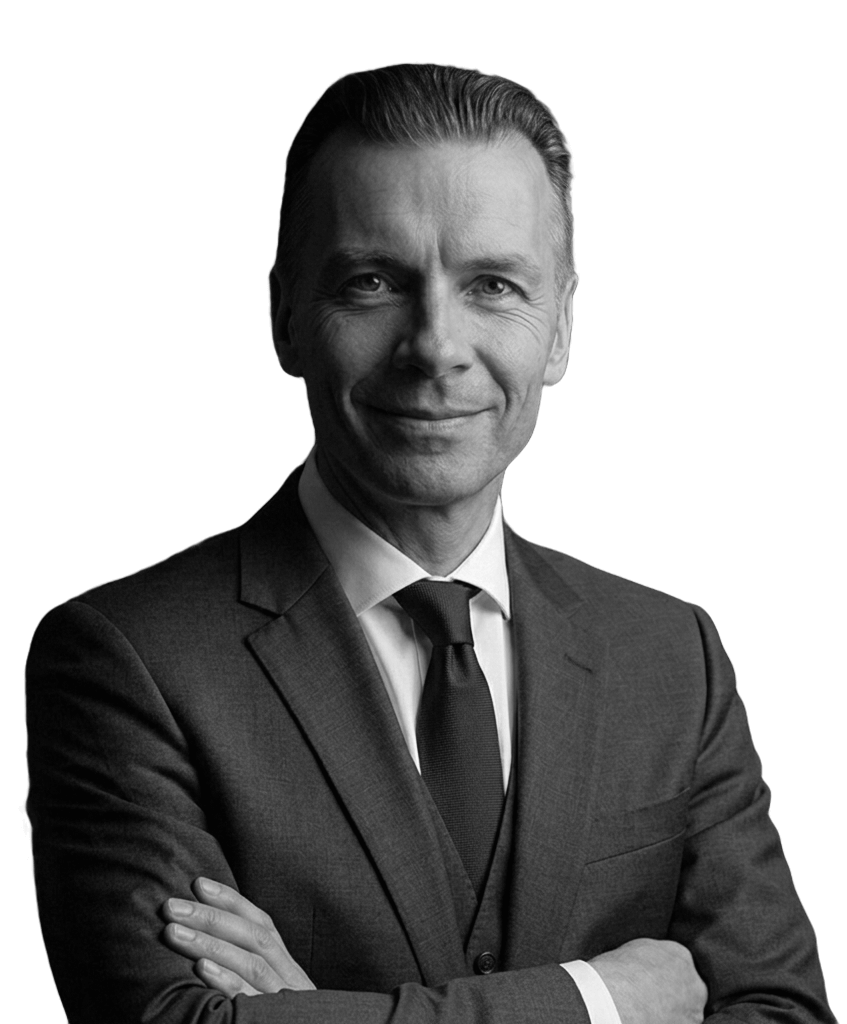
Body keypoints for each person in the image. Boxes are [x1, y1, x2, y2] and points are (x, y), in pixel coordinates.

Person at [25, 63, 833, 1023]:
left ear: (562, 326)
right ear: (284, 315)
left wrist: (319, 1014)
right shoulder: (128, 658)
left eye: (493, 284)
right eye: (373, 282)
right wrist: (595, 1002)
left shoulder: (672, 658)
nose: (435, 346)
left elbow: (782, 1016)